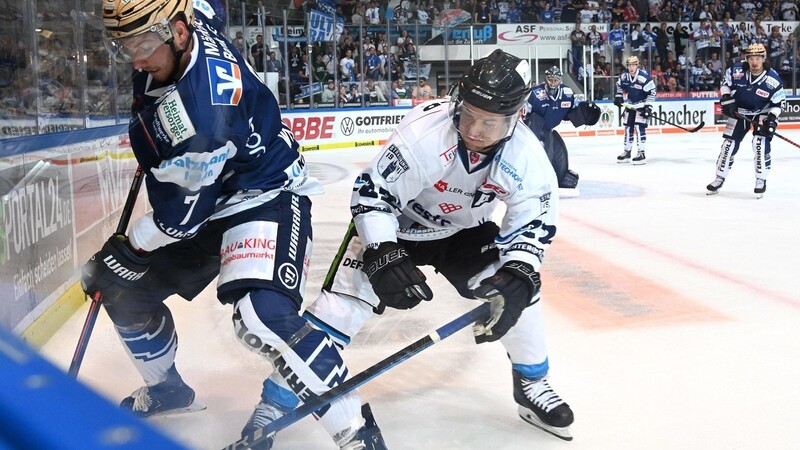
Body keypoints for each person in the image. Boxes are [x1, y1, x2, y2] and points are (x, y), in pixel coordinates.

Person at [91, 1, 386, 449]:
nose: (136, 59)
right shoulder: (192, 18)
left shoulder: (200, 113)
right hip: (211, 191)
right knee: (119, 291)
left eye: (145, 44)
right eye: (126, 46)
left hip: (261, 194)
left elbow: (178, 219)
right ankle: (168, 389)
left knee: (263, 319)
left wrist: (127, 250)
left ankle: (358, 434)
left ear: (178, 33)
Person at [253, 49, 575, 444]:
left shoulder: (527, 157)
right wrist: (382, 252)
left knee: (516, 294)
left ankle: (531, 383)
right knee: (335, 313)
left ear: (517, 116)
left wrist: (520, 269)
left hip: (463, 233)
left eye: (489, 123)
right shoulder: (424, 133)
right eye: (468, 114)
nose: (474, 130)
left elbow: (532, 223)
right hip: (397, 224)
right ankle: (275, 402)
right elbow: (373, 195)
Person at [707, 43, 785, 198]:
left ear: (764, 58)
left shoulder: (773, 79)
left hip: (762, 112)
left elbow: (779, 103)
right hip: (739, 112)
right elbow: (725, 85)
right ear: (746, 59)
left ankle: (761, 179)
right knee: (728, 145)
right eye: (751, 58)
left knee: (759, 144)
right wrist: (727, 98)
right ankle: (719, 177)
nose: (754, 62)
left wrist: (771, 119)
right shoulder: (736, 71)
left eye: (758, 58)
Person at [524, 66, 600, 193]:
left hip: (548, 130)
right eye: (550, 79)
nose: (553, 83)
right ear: (545, 79)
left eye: (556, 80)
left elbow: (569, 113)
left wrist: (583, 113)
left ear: (560, 80)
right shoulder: (535, 93)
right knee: (533, 155)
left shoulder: (567, 93)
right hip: (531, 131)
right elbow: (524, 113)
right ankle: (528, 181)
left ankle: (545, 180)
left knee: (548, 156)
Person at [614, 55, 656, 164]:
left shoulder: (643, 77)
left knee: (639, 128)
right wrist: (618, 96)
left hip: (641, 106)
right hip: (630, 105)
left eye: (633, 65)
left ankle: (641, 153)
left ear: (637, 66)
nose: (631, 68)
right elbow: (619, 85)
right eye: (629, 65)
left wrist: (648, 106)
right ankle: (627, 152)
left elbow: (652, 92)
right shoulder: (624, 77)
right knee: (628, 128)